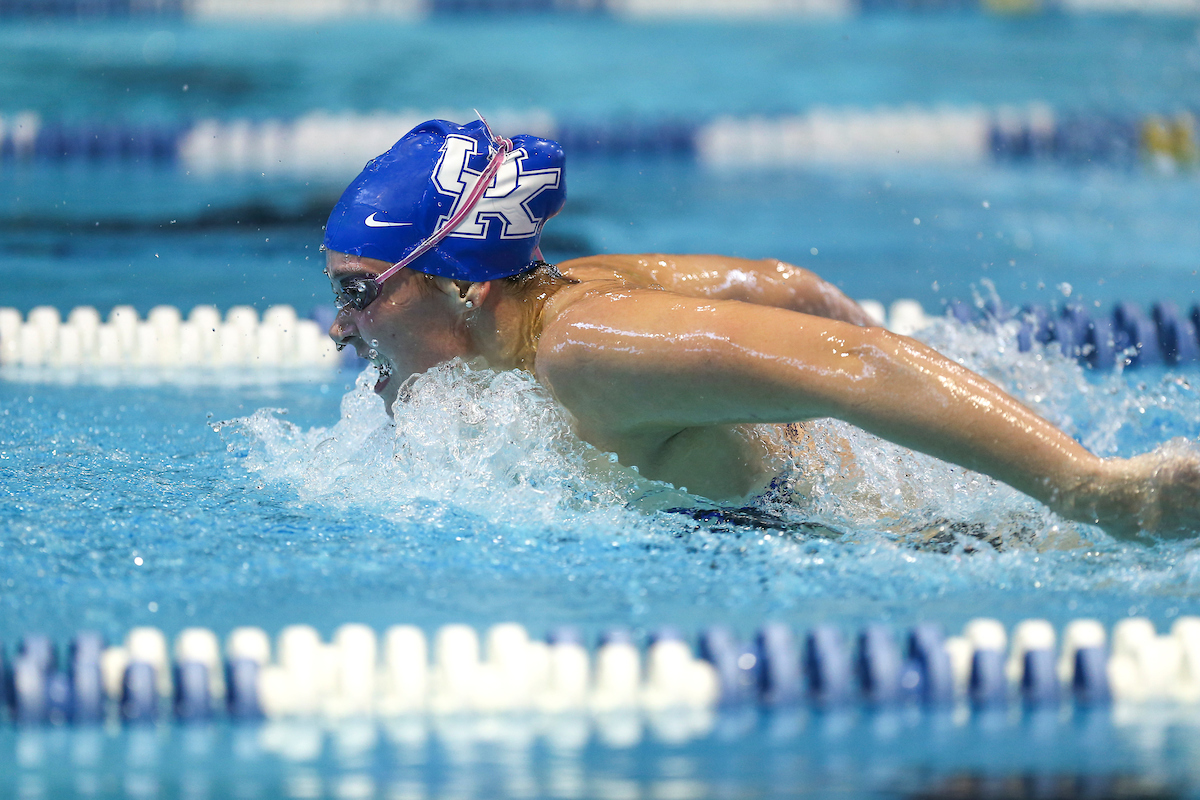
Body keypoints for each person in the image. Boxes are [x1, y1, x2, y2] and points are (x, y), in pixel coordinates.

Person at [322, 118, 1200, 542]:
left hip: (923, 541)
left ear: (462, 287)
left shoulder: (588, 352)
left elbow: (855, 359)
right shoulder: (562, 293)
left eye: (360, 293)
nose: (339, 327)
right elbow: (787, 288)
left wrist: (1086, 489)